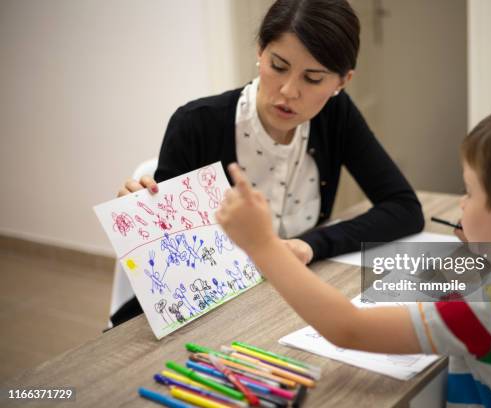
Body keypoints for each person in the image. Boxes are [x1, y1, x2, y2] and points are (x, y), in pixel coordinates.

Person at [217, 104, 491, 407]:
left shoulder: (484, 315)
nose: (461, 202)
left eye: (469, 193)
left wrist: (263, 245)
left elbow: (347, 328)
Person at [111, 0, 424, 326]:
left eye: (313, 78)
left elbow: (404, 208)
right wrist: (144, 221)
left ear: (342, 82)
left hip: (281, 305)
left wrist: (309, 246)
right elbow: (170, 270)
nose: (289, 91)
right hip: (205, 313)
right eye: (278, 66)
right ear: (261, 51)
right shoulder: (196, 124)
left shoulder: (336, 115)